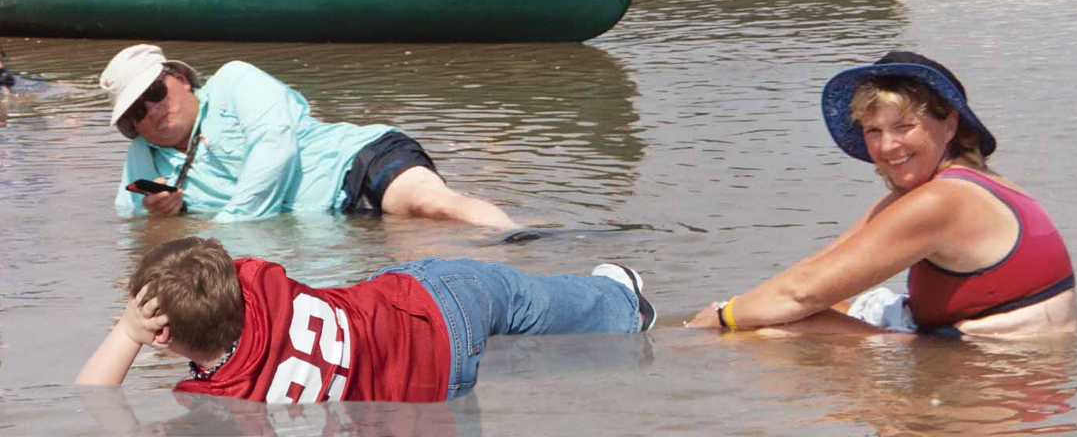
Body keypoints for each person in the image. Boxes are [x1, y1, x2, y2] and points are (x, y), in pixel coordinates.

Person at [688, 51, 1076, 337]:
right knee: (801, 311)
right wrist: (733, 310)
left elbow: (800, 294)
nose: (888, 146)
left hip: (1003, 374)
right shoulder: (958, 184)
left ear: (950, 125)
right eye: (873, 130)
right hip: (981, 354)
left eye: (904, 126)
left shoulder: (942, 201)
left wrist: (719, 321)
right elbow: (816, 269)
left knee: (770, 333)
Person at [76, 236, 656, 402]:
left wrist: (128, 334)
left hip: (433, 389)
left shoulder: (227, 394)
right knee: (525, 300)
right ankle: (624, 303)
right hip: (431, 303)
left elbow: (92, 404)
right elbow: (209, 263)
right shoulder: (257, 280)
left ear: (164, 337)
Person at [100, 44, 515, 228]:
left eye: (154, 93)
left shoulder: (234, 79)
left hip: (356, 161)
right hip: (343, 223)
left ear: (180, 79)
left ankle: (519, 238)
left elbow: (275, 147)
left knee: (432, 206)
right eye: (137, 111)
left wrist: (224, 230)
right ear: (132, 127)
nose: (152, 110)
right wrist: (162, 209)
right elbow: (128, 214)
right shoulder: (146, 157)